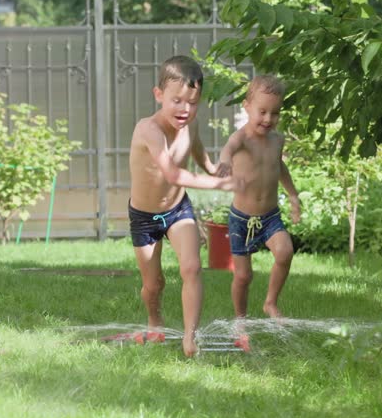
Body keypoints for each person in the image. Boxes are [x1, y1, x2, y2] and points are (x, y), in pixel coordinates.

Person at [128, 55, 235, 357]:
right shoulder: (149, 130)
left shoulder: (191, 124)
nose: (185, 109)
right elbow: (173, 173)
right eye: (177, 101)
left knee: (192, 267)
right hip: (144, 217)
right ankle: (154, 317)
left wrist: (212, 167)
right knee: (153, 285)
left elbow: (196, 148)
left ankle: (190, 336)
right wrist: (221, 184)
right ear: (158, 95)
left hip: (177, 210)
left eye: (192, 103)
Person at [216, 74, 301, 331]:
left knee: (285, 252)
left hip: (270, 216)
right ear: (247, 106)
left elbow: (280, 167)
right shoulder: (241, 138)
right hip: (241, 219)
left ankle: (270, 303)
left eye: (275, 113)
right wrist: (225, 162)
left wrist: (293, 195)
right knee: (243, 276)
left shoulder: (277, 140)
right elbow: (228, 149)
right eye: (262, 111)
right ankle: (241, 320)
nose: (268, 119)